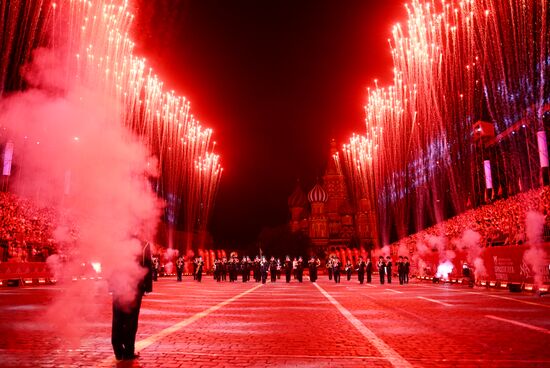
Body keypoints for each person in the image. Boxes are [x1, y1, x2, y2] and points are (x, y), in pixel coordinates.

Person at [111, 240, 153, 361]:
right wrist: (147, 287)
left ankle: (118, 350)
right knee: (131, 320)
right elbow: (147, 265)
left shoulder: (117, 239)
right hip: (135, 286)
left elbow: (110, 261)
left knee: (117, 318)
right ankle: (128, 351)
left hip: (118, 285)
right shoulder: (144, 244)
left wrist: (111, 285)